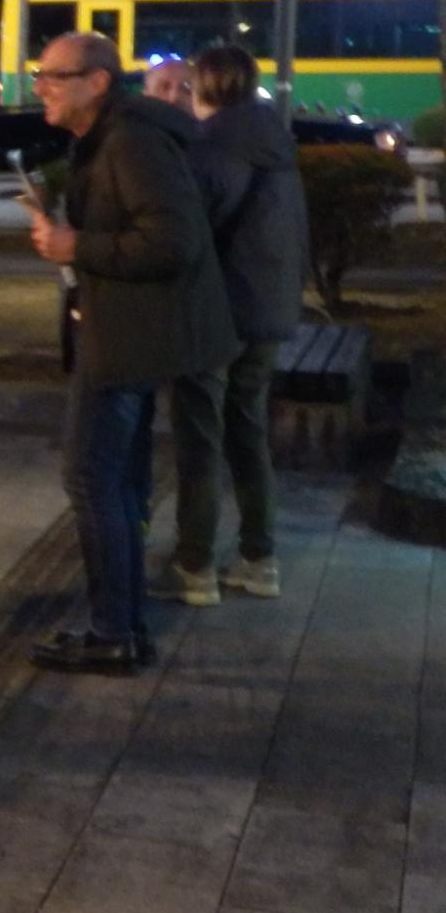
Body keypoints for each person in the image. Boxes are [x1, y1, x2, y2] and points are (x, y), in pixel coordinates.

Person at [24, 33, 237, 674]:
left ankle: (114, 628)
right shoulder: (110, 138)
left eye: (54, 76)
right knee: (113, 478)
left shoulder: (131, 141)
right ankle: (119, 622)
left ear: (96, 82)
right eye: (40, 75)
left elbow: (173, 242)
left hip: (130, 337)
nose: (41, 87)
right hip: (124, 330)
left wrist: (75, 246)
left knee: (92, 477)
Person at [152, 45, 308, 604]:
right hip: (270, 312)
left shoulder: (214, 146)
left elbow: (189, 230)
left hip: (219, 314)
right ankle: (259, 559)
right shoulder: (274, 142)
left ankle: (196, 566)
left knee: (200, 438)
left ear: (207, 86)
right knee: (248, 432)